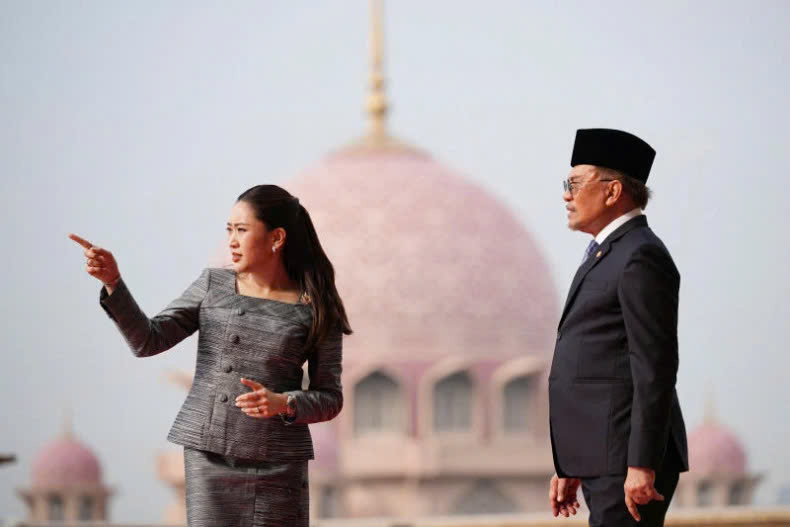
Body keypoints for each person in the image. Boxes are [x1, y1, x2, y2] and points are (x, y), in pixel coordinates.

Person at [69, 184, 351, 527]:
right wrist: (114, 282)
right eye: (229, 230)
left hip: (278, 462)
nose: (231, 240)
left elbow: (330, 397)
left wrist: (284, 403)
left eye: (242, 230)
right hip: (209, 450)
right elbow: (148, 341)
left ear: (276, 238)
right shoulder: (212, 286)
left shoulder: (317, 309)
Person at [548, 129, 688, 526]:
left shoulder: (639, 255)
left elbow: (653, 368)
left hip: (626, 460)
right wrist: (571, 460)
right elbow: (599, 363)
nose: (566, 195)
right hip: (604, 456)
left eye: (574, 184)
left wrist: (642, 463)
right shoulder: (606, 254)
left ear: (612, 192)